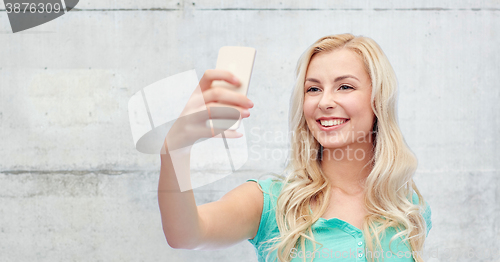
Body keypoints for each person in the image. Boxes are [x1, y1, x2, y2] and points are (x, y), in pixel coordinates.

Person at [158, 33, 432, 262]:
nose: (325, 101)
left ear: (378, 100)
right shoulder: (270, 202)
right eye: (313, 89)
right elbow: (185, 234)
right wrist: (175, 148)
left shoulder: (407, 206)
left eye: (345, 86)